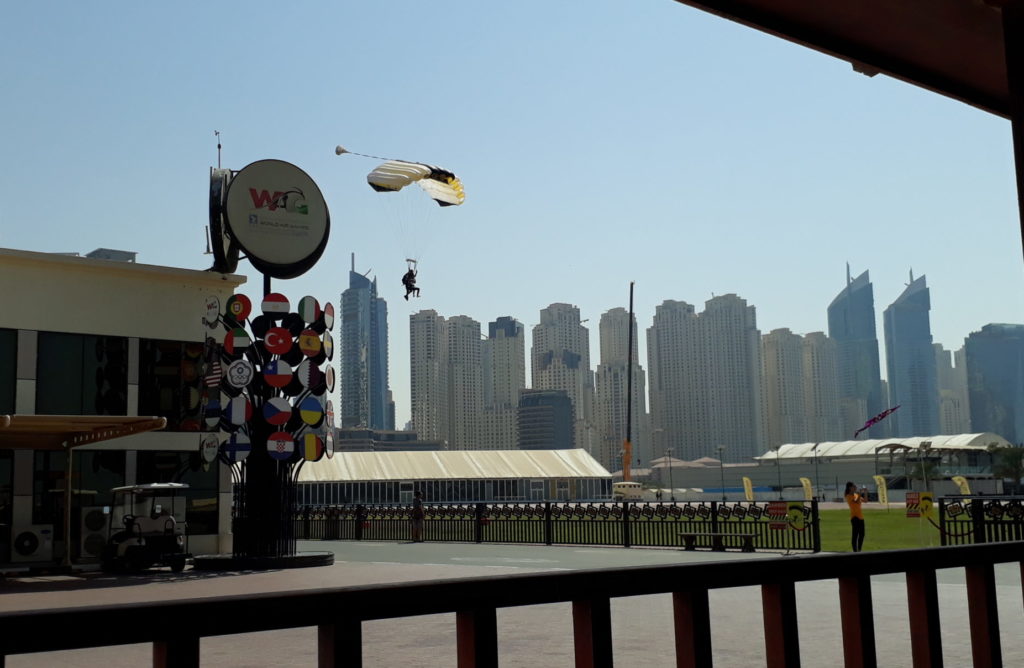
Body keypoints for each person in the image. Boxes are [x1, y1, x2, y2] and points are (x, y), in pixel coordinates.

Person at [845, 481, 866, 552]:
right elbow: (856, 501)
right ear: (850, 488)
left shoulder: (856, 495)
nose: (855, 487)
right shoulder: (848, 496)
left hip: (860, 517)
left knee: (862, 534)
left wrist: (865, 492)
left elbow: (865, 500)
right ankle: (855, 551)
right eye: (854, 486)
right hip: (854, 517)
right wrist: (860, 494)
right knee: (855, 535)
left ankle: (859, 549)